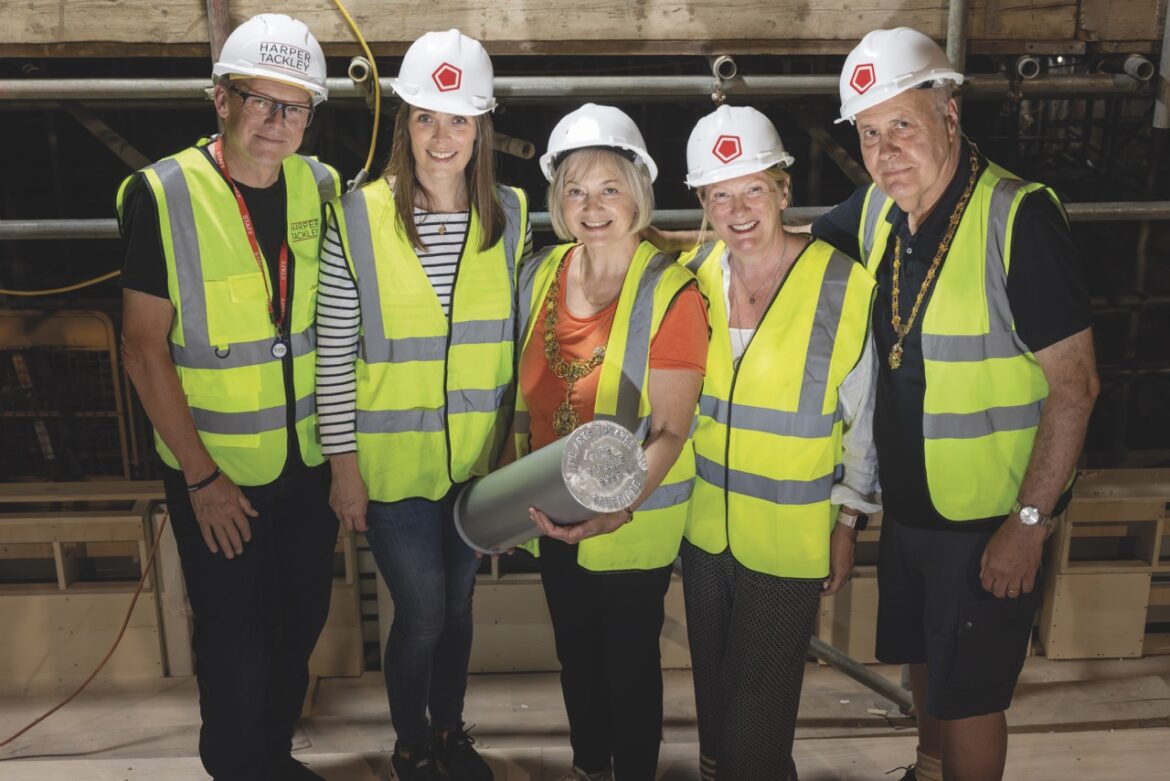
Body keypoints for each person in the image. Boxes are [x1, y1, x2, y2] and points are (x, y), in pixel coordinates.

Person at [810, 27, 1099, 781]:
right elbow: (787, 250)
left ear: (949, 114)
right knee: (929, 666)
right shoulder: (876, 210)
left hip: (988, 519)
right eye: (869, 134)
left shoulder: (1016, 219)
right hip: (912, 508)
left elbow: (1076, 386)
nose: (885, 152)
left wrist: (1028, 524)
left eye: (902, 125)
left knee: (971, 697)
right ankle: (928, 769)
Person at [117, 13, 340, 781]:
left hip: (304, 464)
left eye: (296, 106)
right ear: (221, 99)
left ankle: (269, 759)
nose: (279, 122)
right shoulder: (165, 194)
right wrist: (201, 476)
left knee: (299, 621)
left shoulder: (321, 185)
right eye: (261, 101)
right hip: (218, 471)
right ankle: (238, 766)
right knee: (235, 638)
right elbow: (143, 346)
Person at [315, 28, 530, 781]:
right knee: (425, 611)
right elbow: (333, 353)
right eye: (426, 118)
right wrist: (343, 465)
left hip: (474, 465)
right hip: (392, 468)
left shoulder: (509, 214)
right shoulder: (357, 216)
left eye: (459, 120)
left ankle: (448, 733)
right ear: (405, 123)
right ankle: (411, 741)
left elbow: (510, 349)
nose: (442, 138)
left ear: (481, 126)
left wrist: (509, 460)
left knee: (460, 609)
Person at [675, 105, 880, 781]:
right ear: (703, 204)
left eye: (753, 189)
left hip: (791, 535)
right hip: (704, 531)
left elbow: (864, 423)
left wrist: (848, 523)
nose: (738, 211)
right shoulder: (691, 279)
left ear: (783, 190)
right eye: (720, 195)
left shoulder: (844, 285)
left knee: (758, 710)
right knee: (714, 694)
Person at [515, 104, 709, 781]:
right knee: (576, 655)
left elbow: (671, 430)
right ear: (557, 201)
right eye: (574, 190)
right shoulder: (540, 274)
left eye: (608, 188)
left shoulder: (672, 291)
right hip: (551, 506)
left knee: (626, 663)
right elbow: (525, 403)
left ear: (639, 193)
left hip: (631, 515)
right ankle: (588, 768)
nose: (591, 206)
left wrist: (617, 507)